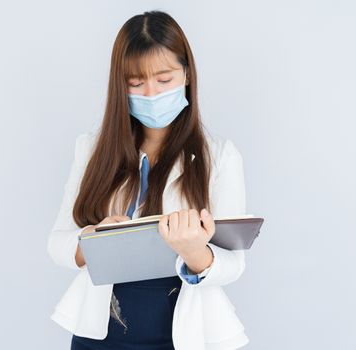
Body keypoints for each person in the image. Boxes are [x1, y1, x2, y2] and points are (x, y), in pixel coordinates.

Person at [47, 10, 250, 350]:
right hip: (99, 335)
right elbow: (57, 244)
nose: (151, 93)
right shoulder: (92, 150)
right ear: (119, 84)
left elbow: (233, 265)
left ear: (187, 74)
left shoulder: (220, 157)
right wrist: (93, 240)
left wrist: (195, 252)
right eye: (136, 83)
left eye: (164, 78)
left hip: (183, 336)